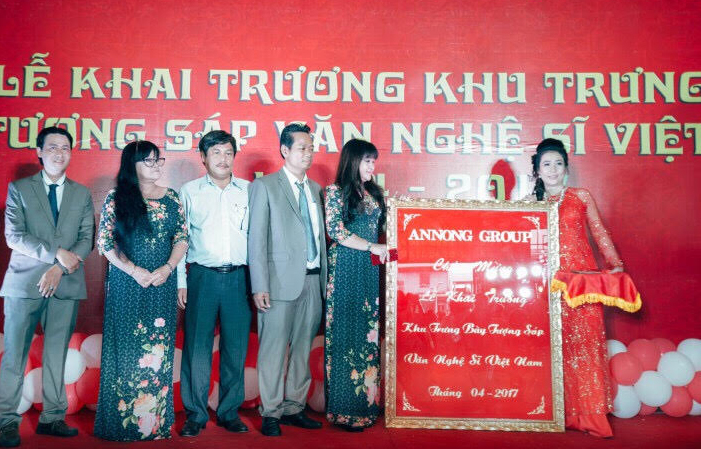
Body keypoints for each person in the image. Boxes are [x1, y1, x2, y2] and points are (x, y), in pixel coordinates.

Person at [0, 126, 95, 448]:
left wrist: (59, 268)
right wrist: (55, 254)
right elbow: (14, 236)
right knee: (14, 355)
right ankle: (5, 421)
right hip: (23, 284)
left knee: (57, 354)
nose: (59, 153)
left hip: (66, 283)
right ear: (39, 152)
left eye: (65, 148)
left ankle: (52, 418)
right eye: (52, 147)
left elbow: (86, 239)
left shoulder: (81, 193)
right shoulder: (19, 189)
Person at [93, 140, 187, 441]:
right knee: (126, 350)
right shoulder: (117, 198)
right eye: (149, 161)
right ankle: (121, 424)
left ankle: (154, 425)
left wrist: (168, 268)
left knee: (157, 350)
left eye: (159, 160)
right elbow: (105, 243)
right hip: (127, 284)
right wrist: (134, 270)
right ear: (131, 166)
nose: (157, 166)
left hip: (161, 284)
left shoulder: (171, 197)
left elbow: (182, 238)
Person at [529, 138, 623, 437]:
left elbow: (598, 230)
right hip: (548, 285)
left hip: (583, 282)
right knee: (554, 348)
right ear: (537, 171)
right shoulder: (531, 204)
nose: (553, 169)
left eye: (558, 163)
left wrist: (614, 263)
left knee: (586, 345)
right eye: (547, 164)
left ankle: (590, 416)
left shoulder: (581, 196)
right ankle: (556, 413)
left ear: (566, 168)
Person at [248, 123, 326, 437]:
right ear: (285, 150)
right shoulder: (265, 186)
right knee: (273, 351)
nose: (308, 154)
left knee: (302, 349)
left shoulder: (317, 190)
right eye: (302, 148)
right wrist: (259, 285)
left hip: (313, 280)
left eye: (311, 148)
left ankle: (294, 407)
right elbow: (256, 240)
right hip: (278, 283)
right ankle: (270, 412)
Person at [176, 131, 251, 437]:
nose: (223, 158)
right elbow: (180, 239)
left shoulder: (248, 191)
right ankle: (195, 414)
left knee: (236, 347)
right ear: (203, 158)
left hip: (239, 278)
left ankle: (229, 412)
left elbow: (257, 238)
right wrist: (181, 281)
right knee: (197, 347)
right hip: (202, 277)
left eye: (228, 153)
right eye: (216, 153)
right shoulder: (190, 191)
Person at [324, 139, 388, 431]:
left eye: (373, 161)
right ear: (353, 161)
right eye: (367, 161)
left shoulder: (375, 193)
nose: (372, 167)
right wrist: (371, 246)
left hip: (369, 270)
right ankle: (343, 410)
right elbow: (335, 231)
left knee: (368, 333)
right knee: (345, 334)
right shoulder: (335, 192)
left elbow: (384, 228)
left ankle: (366, 407)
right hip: (346, 267)